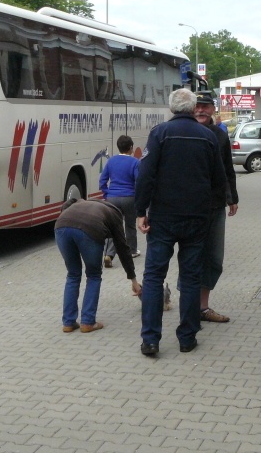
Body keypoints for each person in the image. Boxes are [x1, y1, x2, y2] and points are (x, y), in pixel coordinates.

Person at [135, 87, 226, 357]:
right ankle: (187, 337)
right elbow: (219, 179)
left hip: (163, 216)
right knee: (190, 277)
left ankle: (150, 339)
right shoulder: (208, 136)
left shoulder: (160, 133)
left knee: (154, 276)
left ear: (172, 108)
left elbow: (146, 175)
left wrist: (141, 211)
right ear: (193, 107)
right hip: (197, 217)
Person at [55, 198, 141, 333]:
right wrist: (133, 280)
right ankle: (88, 322)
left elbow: (67, 203)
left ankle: (68, 323)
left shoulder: (82, 202)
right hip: (91, 229)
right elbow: (122, 249)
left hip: (61, 226)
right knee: (93, 275)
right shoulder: (115, 214)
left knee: (73, 274)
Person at [191, 91, 239, 323]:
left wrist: (233, 197)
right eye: (197, 106)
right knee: (191, 256)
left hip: (215, 204)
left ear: (213, 109)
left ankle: (202, 307)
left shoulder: (220, 135)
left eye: (205, 106)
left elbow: (228, 168)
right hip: (188, 207)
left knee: (213, 257)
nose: (201, 110)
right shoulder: (184, 130)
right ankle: (189, 306)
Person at [99, 135, 140, 268]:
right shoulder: (135, 162)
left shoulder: (111, 161)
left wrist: (107, 194)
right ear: (131, 147)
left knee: (112, 226)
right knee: (130, 224)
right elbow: (139, 182)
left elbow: (102, 181)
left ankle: (109, 254)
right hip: (129, 197)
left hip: (112, 198)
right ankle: (132, 250)